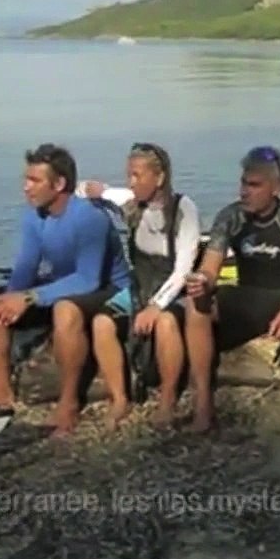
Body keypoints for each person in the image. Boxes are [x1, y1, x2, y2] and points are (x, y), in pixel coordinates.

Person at [0, 143, 133, 434]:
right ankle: (1, 388)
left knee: (65, 309)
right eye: (26, 179)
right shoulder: (33, 216)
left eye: (34, 180)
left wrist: (30, 297)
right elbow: (26, 266)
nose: (26, 187)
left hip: (106, 287)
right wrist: (11, 298)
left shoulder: (90, 217)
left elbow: (88, 279)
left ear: (59, 184)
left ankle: (69, 400)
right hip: (63, 283)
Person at [182, 145, 280, 439]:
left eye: (254, 185)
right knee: (196, 304)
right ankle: (203, 408)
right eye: (243, 183)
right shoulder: (230, 217)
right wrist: (202, 281)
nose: (244, 191)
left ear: (277, 188)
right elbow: (210, 268)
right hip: (248, 297)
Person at [78, 143, 203, 430]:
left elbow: (183, 270)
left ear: (159, 178)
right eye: (129, 175)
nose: (131, 183)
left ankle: (167, 399)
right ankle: (119, 398)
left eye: (137, 175)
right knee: (101, 323)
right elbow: (94, 190)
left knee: (166, 323)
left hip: (174, 288)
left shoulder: (184, 209)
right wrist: (85, 191)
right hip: (140, 286)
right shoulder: (132, 203)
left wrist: (156, 307)